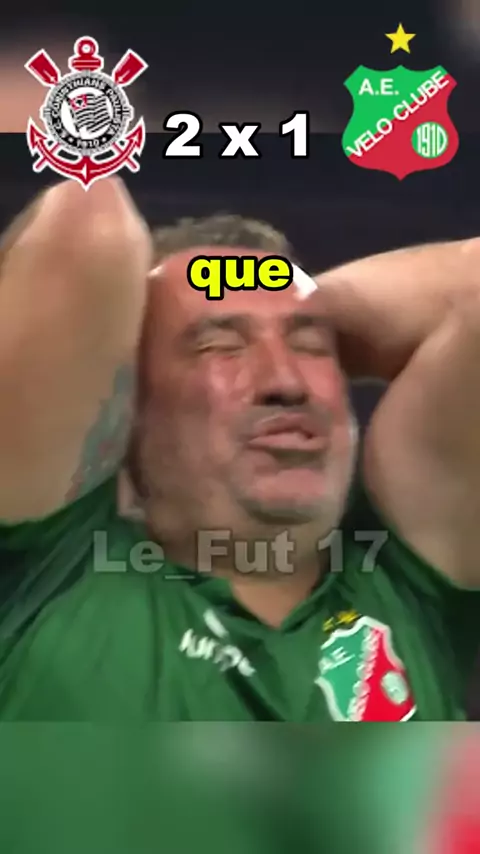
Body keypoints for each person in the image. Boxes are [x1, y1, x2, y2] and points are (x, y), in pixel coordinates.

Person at [0, 177, 479, 721]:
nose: (286, 382)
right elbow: (88, 222)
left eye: (311, 345)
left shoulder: (406, 588)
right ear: (127, 401)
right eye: (219, 345)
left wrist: (296, 294)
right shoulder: (46, 572)